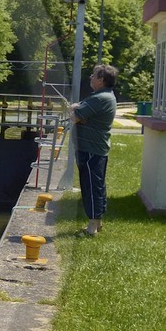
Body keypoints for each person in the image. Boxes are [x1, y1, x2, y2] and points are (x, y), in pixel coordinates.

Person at [71, 63, 118, 236]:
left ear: (102, 79)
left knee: (91, 186)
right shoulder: (104, 96)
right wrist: (80, 113)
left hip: (91, 150)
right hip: (96, 149)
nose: (90, 77)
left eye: (93, 75)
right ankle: (97, 223)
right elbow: (81, 115)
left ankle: (92, 227)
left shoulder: (100, 98)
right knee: (97, 186)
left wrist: (75, 111)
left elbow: (76, 116)